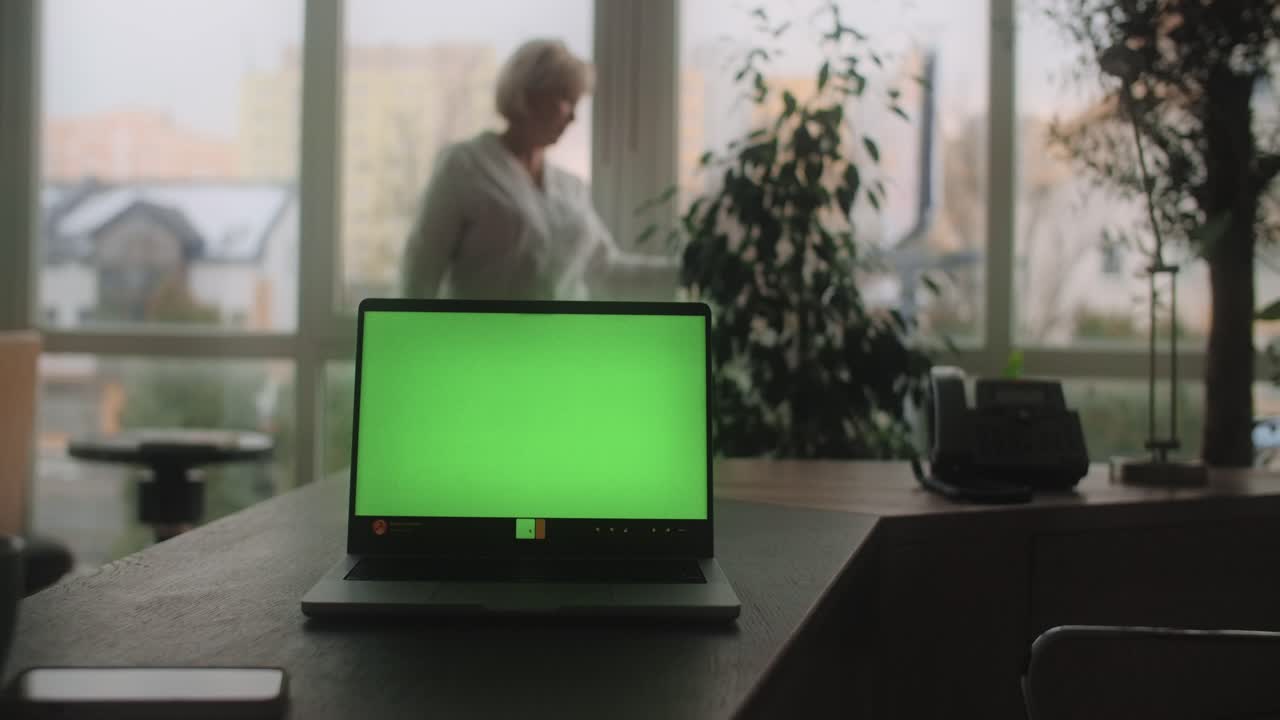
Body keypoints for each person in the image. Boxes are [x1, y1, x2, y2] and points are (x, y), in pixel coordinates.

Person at [401, 38, 674, 301]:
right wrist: (406, 342)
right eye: (566, 99)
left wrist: (695, 268)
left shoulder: (571, 188)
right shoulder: (464, 167)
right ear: (529, 94)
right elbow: (420, 271)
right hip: (483, 344)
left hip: (564, 344)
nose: (574, 117)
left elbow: (607, 270)